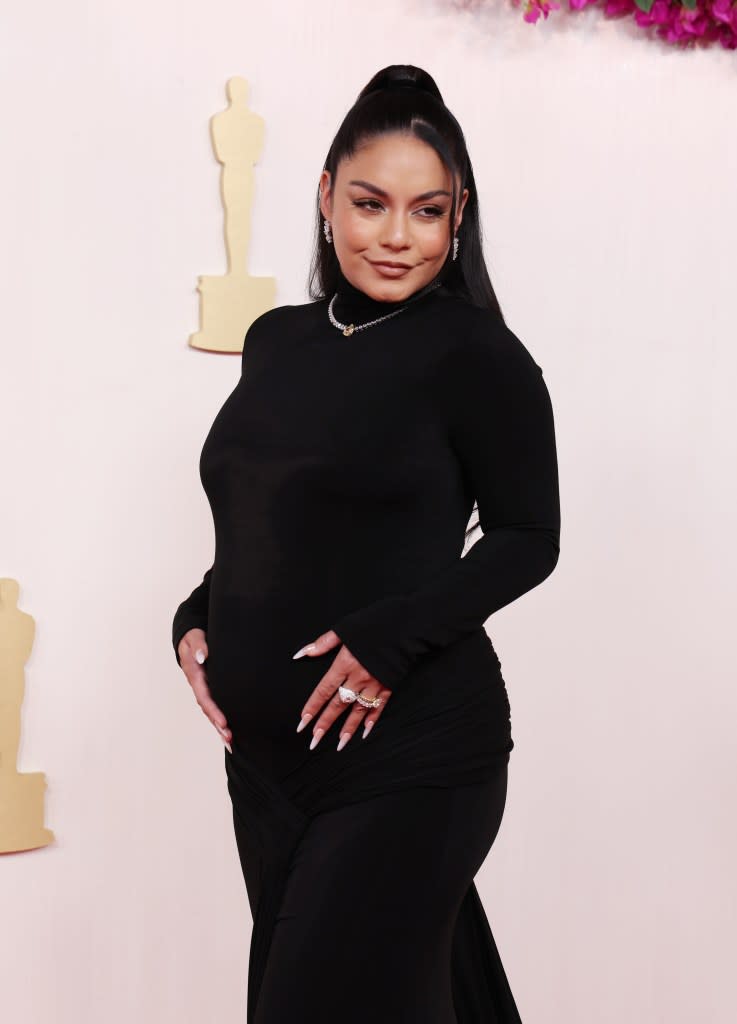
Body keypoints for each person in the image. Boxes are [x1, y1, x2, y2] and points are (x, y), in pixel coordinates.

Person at [172, 63, 561, 1024]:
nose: (396, 236)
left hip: (412, 754)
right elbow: (270, 524)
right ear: (324, 197)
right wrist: (193, 619)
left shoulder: (477, 356)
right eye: (370, 203)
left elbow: (527, 537)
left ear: (458, 214)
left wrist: (388, 639)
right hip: (268, 768)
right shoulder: (277, 340)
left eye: (426, 211)